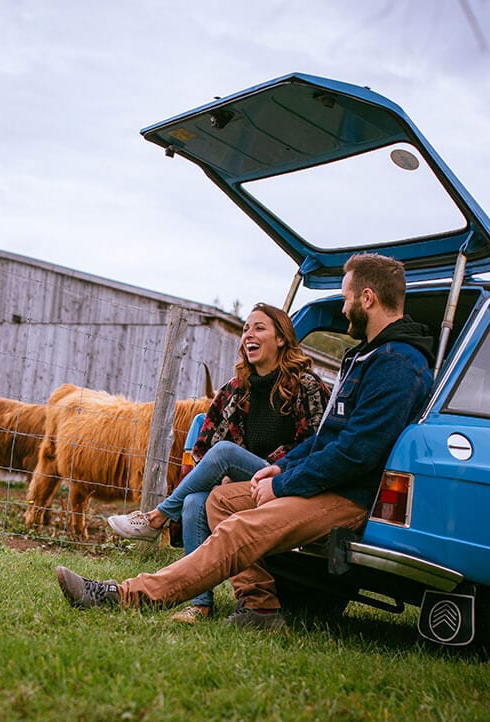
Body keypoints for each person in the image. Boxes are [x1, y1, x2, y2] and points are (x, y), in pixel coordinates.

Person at [55, 252, 435, 630]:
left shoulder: (397, 363)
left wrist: (283, 485)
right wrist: (280, 467)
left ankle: (125, 595)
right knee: (219, 501)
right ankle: (260, 608)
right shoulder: (368, 355)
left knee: (239, 528)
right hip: (325, 482)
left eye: (347, 295)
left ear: (367, 298)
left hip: (348, 496)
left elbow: (357, 452)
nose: (344, 305)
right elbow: (325, 437)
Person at [105, 302, 328, 623]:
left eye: (259, 328)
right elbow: (204, 446)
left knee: (225, 454)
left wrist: (246, 466)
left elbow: (315, 445)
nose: (248, 334)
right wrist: (222, 476)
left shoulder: (306, 386)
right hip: (245, 481)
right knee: (196, 500)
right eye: (246, 329)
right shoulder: (236, 389)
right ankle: (201, 604)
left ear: (281, 339)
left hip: (289, 479)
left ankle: (155, 518)